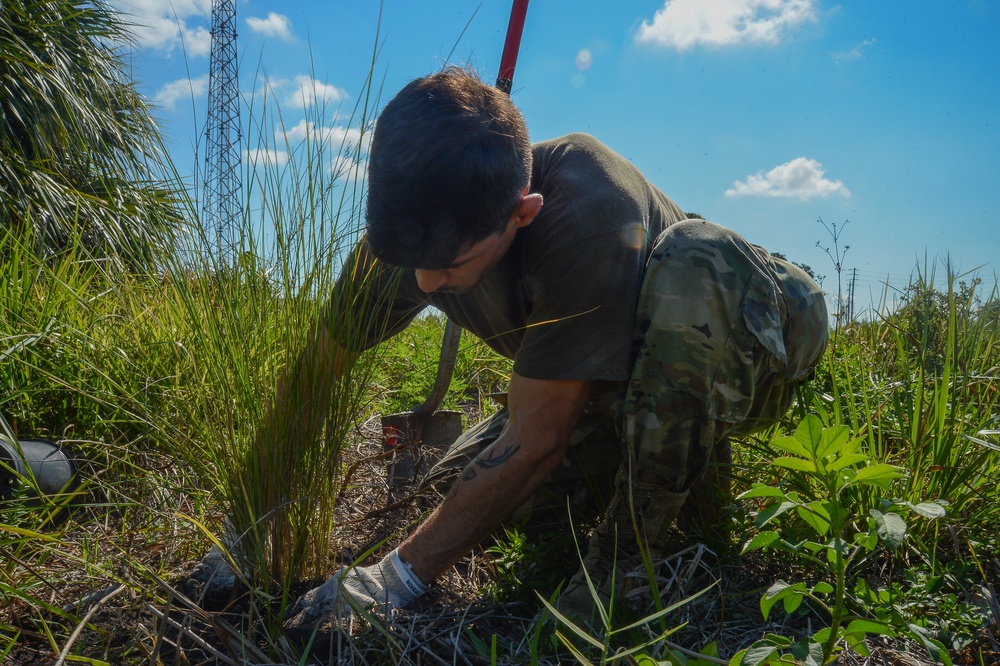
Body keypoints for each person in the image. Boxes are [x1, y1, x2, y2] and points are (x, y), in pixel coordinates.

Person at [227, 66, 828, 633]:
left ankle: (630, 561)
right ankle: (647, 455)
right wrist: (241, 532)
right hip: (606, 380)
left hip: (753, 338)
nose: (426, 286)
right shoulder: (408, 241)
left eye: (450, 265)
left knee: (695, 260)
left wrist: (393, 580)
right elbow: (313, 377)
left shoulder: (590, 212)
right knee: (456, 498)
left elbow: (536, 442)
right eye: (411, 265)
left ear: (523, 213)